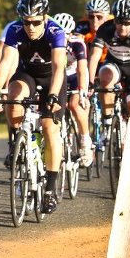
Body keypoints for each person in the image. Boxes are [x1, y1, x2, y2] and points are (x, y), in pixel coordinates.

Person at [0, 0, 66, 214]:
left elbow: (60, 66)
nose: (30, 27)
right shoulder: (14, 30)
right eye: (26, 22)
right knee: (13, 95)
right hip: (27, 75)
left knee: (50, 128)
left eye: (35, 22)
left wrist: (52, 95)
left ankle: (50, 188)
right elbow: (6, 61)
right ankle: (15, 143)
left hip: (52, 78)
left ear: (45, 18)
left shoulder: (55, 31)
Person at [87, 0, 130, 122]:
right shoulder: (105, 29)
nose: (122, 27)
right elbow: (94, 56)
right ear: (113, 19)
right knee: (105, 76)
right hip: (114, 65)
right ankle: (107, 121)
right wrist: (89, 82)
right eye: (119, 22)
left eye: (127, 23)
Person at [52, 13, 93, 167]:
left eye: (67, 34)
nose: (64, 37)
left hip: (74, 75)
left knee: (74, 105)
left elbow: (83, 69)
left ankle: (84, 141)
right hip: (58, 75)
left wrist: (83, 91)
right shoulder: (51, 41)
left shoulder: (77, 43)